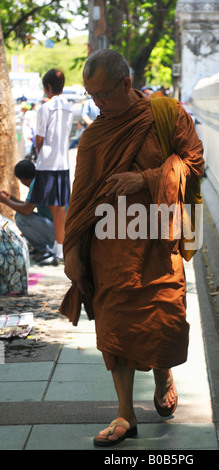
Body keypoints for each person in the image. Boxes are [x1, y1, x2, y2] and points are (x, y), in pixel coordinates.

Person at [60, 50, 204, 447]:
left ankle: (162, 374)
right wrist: (71, 249)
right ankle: (125, 412)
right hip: (110, 247)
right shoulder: (93, 137)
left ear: (126, 84)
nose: (98, 105)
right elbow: (81, 197)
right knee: (114, 324)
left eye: (104, 95)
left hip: (159, 241)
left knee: (163, 320)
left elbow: (193, 162)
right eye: (92, 97)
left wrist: (144, 180)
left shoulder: (165, 115)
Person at [30, 69, 73, 262]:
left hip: (47, 162)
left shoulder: (45, 108)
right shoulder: (69, 107)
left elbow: (39, 138)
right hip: (62, 162)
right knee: (60, 208)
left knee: (53, 207)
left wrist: (39, 152)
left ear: (48, 87)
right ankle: (60, 247)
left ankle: (58, 248)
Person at [0, 160, 56, 264]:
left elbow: (26, 211)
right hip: (57, 226)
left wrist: (5, 201)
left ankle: (44, 248)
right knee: (22, 215)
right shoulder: (40, 179)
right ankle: (42, 248)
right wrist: (11, 198)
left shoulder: (35, 184)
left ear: (22, 179)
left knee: (21, 218)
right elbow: (27, 206)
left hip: (58, 231)